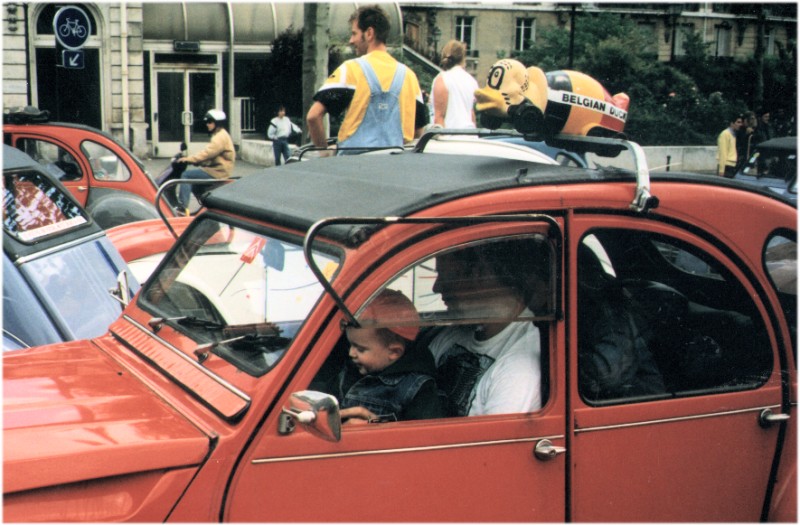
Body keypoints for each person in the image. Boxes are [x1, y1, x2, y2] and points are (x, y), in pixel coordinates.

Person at [428, 240, 543, 417]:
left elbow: (493, 441)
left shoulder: (520, 363)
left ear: (481, 274)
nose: (437, 287)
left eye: (448, 276)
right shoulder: (455, 334)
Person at [306, 5, 428, 155]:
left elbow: (313, 116)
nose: (351, 40)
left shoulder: (350, 70)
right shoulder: (409, 77)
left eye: (354, 33)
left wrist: (324, 152)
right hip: (393, 168)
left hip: (353, 168)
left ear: (369, 33)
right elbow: (418, 131)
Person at [334, 289, 443, 424]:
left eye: (360, 349)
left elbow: (423, 436)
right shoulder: (352, 370)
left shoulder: (417, 389)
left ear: (394, 352)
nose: (351, 353)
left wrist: (376, 426)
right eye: (350, 345)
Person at [176, 109, 235, 215]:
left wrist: (189, 159)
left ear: (217, 123)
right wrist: (195, 161)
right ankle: (208, 207)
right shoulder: (220, 135)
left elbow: (207, 153)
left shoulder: (220, 137)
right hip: (216, 169)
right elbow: (209, 157)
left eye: (209, 122)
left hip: (217, 172)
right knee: (194, 185)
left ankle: (182, 208)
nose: (207, 124)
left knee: (186, 176)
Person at [429, 40, 479, 128]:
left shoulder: (441, 79)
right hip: (470, 135)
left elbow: (439, 117)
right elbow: (471, 114)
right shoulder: (472, 81)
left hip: (449, 137)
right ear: (463, 58)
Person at [716, 113, 742, 178]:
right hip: (727, 166)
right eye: (738, 122)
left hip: (732, 165)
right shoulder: (725, 134)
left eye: (741, 122)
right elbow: (723, 153)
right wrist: (721, 171)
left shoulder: (734, 134)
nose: (740, 124)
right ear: (732, 123)